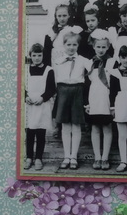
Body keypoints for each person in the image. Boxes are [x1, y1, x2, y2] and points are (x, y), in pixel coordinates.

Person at [53, 28, 92, 170]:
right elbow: (55, 79)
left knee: (76, 126)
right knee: (65, 126)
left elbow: (95, 72)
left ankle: (74, 156)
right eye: (68, 44)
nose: (71, 47)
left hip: (77, 92)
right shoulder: (58, 61)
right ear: (64, 45)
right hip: (63, 91)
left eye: (74, 44)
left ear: (78, 45)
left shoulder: (83, 61)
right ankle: (66, 156)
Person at [83, 32, 115, 170]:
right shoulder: (90, 63)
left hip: (107, 98)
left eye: (103, 47)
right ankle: (97, 157)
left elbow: (115, 84)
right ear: (94, 47)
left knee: (107, 128)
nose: (101, 50)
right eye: (98, 47)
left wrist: (113, 104)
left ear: (108, 47)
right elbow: (86, 84)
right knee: (95, 128)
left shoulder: (112, 62)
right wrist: (87, 103)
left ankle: (105, 157)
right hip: (94, 98)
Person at [24, 43, 55, 172]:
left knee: (40, 133)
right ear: (30, 56)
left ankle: (38, 158)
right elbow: (21, 85)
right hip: (29, 105)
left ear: (43, 56)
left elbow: (51, 89)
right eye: (34, 55)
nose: (37, 58)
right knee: (29, 133)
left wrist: (43, 98)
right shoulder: (26, 69)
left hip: (42, 104)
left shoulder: (49, 70)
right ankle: (29, 157)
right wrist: (25, 96)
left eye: (39, 55)